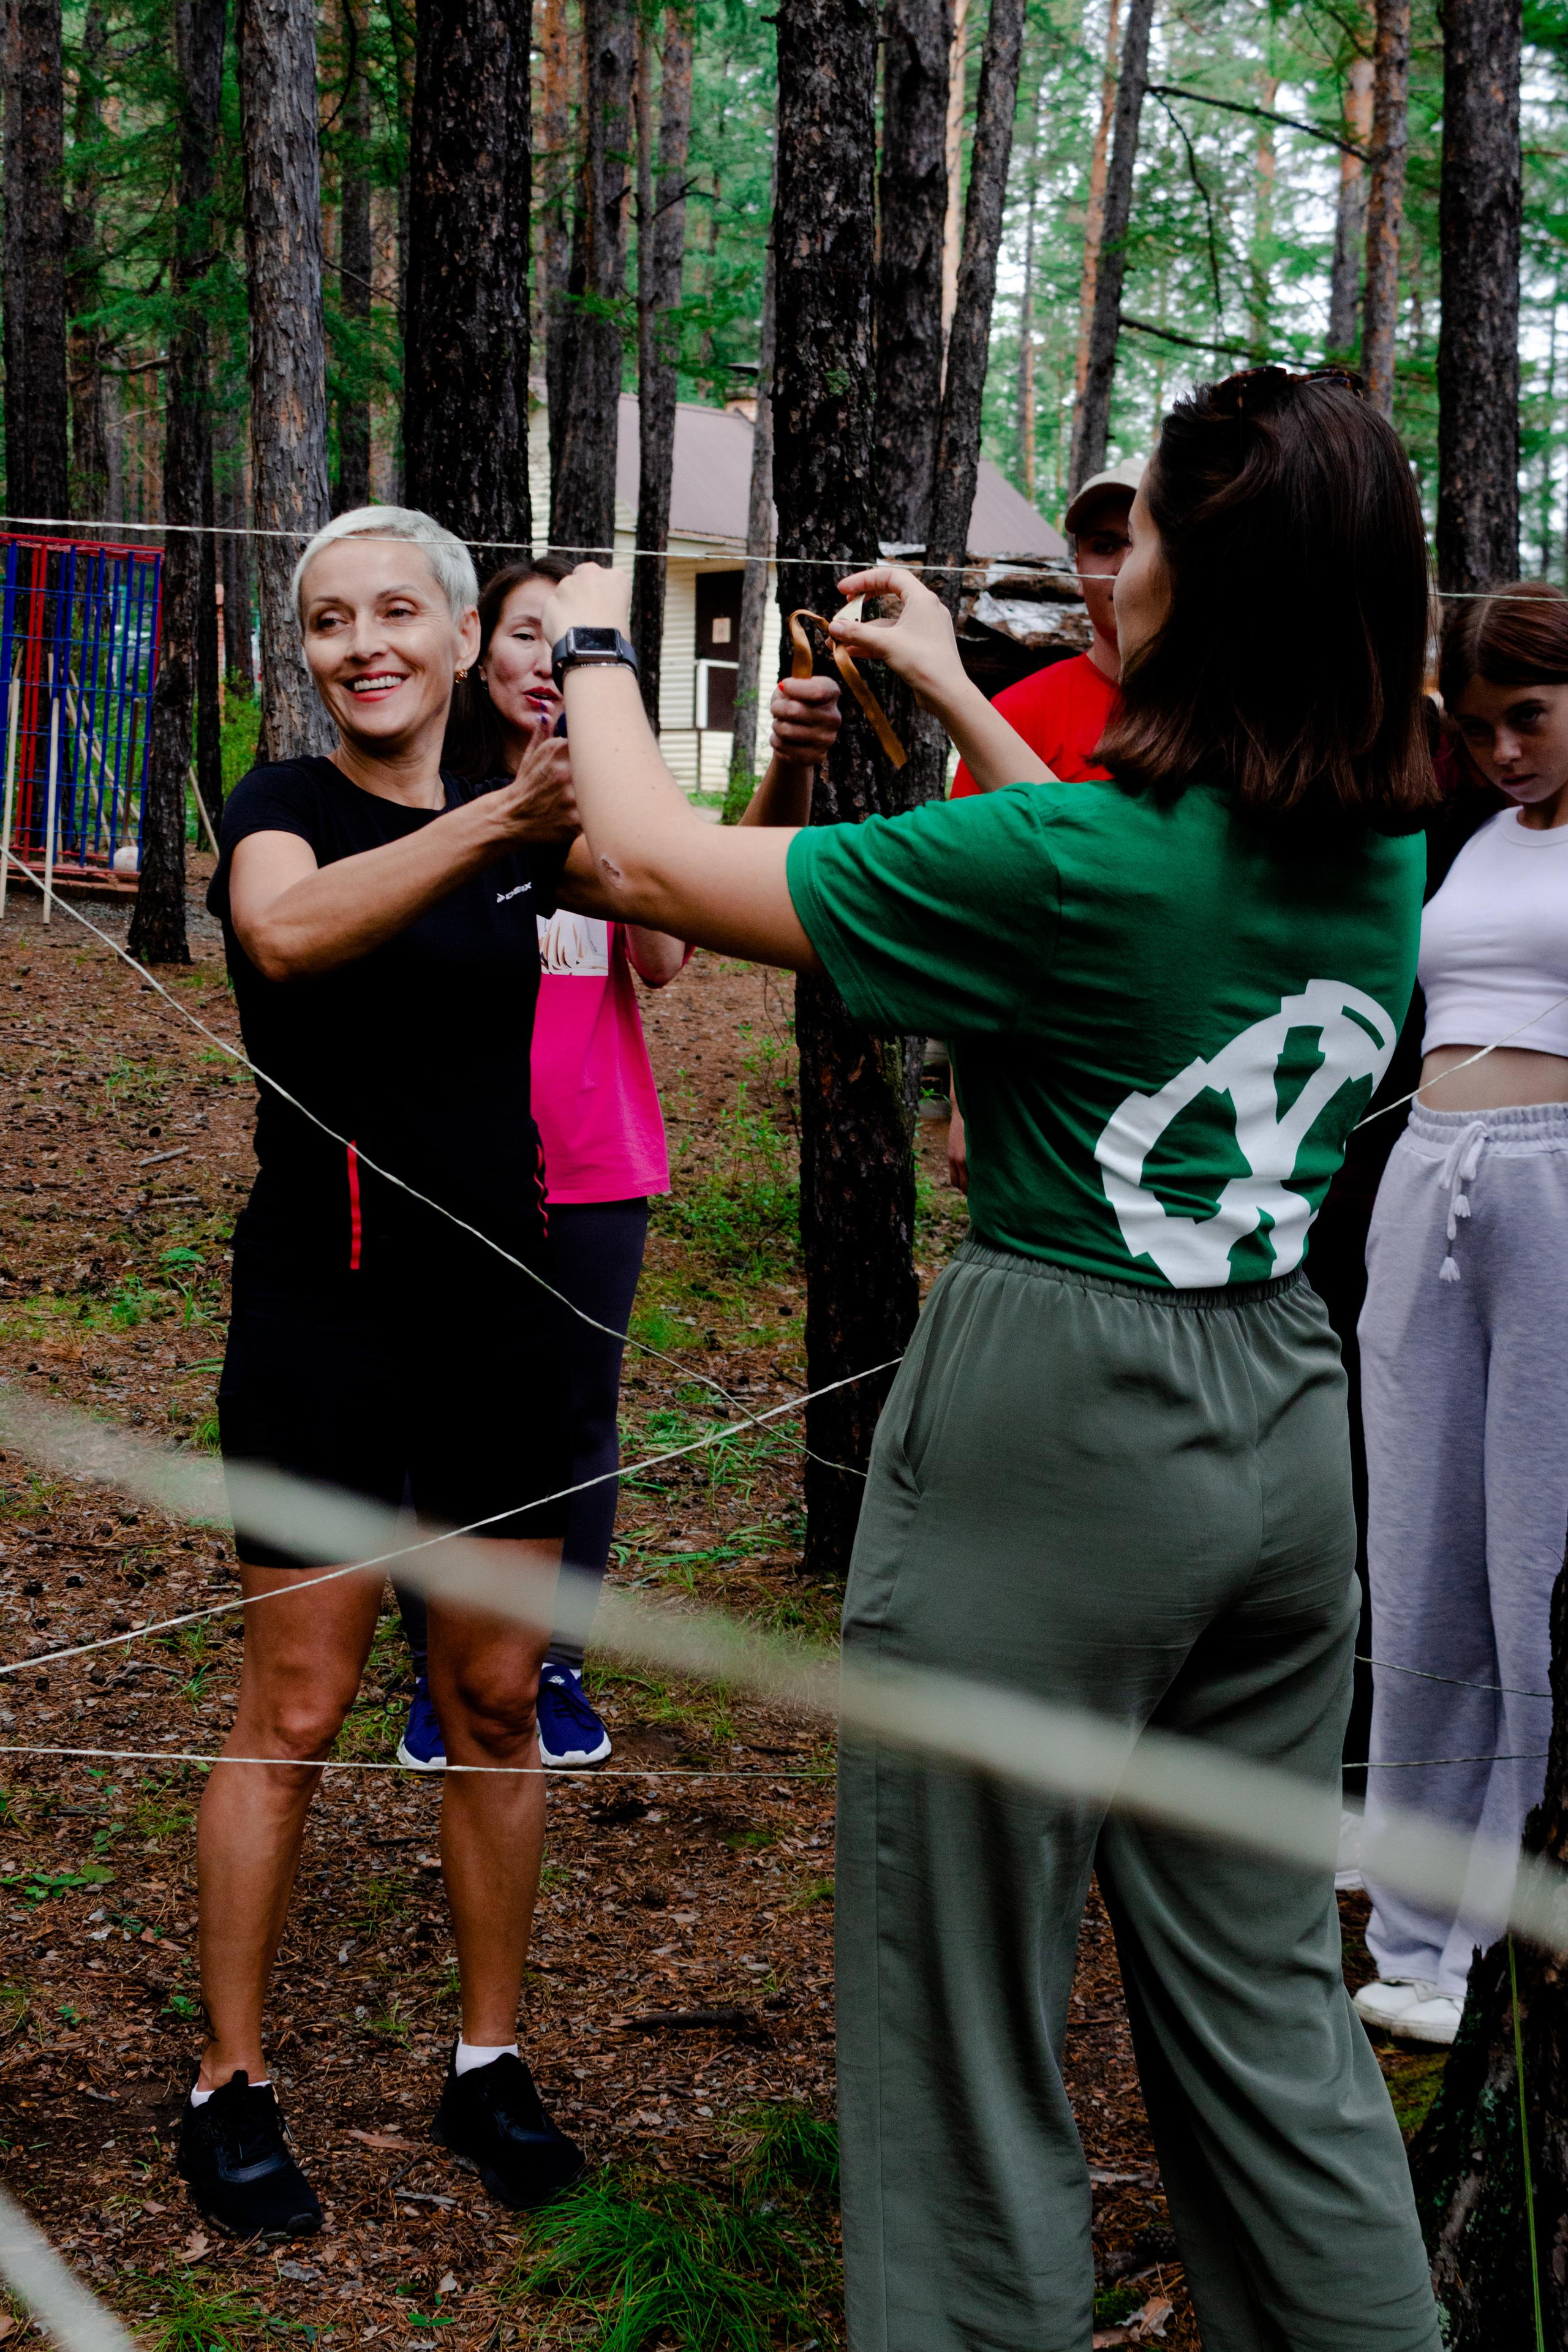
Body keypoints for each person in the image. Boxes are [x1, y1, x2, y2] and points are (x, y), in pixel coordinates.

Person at [535, 366, 1444, 2350]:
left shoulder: (1079, 869)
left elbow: (634, 863)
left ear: (1208, 595)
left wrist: (597, 631)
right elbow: (1117, 887)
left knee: (959, 2008)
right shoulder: (1373, 849)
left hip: (1058, 1429)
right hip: (1282, 1430)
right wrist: (951, 687)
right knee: (1268, 2004)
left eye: (1144, 556)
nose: (1111, 579)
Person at [181, 506, 625, 2241]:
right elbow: (286, 941)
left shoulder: (531, 818)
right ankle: (229, 2082)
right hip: (326, 1316)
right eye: (326, 619)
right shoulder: (279, 811)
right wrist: (509, 816)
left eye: (393, 614)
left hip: (505, 1323)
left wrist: (785, 776)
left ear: (459, 639)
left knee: (499, 1703)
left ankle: (487, 2064)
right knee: (293, 1711)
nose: (360, 643)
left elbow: (666, 913)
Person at [392, 552, 842, 1773]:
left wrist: (791, 762)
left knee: (572, 1426)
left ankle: (552, 1662)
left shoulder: (620, 813)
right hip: (443, 1171)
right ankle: (441, 1664)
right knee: (436, 1422)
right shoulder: (426, 804)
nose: (545, 660)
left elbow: (673, 945)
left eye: (568, 639)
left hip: (594, 1166)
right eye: (526, 636)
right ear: (482, 655)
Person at [1353, 581, 1568, 2049]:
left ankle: (1501, 1917)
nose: (1498, 750)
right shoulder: (1469, 833)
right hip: (1426, 1180)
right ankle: (1409, 1917)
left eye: (1528, 719)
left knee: (1533, 1563)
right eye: (1476, 725)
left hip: (1558, 1194)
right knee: (1417, 1550)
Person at [944, 457, 1143, 1191]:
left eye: (1140, 541)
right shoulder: (1021, 714)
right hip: (1039, 1084)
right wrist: (967, 1100)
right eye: (1101, 544)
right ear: (1077, 564)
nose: (1121, 567)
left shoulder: (1231, 725)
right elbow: (973, 910)